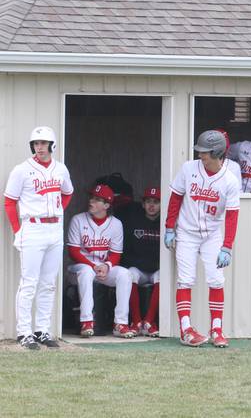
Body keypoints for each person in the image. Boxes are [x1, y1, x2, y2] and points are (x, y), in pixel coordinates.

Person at [165, 130, 240, 347]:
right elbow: (175, 197)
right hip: (187, 233)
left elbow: (232, 215)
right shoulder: (189, 168)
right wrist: (170, 227)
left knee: (216, 280)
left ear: (217, 152)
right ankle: (185, 329)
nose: (200, 155)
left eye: (205, 152)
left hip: (211, 235)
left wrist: (227, 246)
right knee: (185, 279)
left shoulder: (229, 180)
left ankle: (216, 329)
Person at [4, 126, 74, 349]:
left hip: (54, 229)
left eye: (43, 143)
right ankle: (24, 333)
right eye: (36, 143)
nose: (39, 147)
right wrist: (18, 230)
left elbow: (68, 192)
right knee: (29, 283)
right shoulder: (22, 170)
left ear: (52, 145)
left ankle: (42, 330)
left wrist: (58, 210)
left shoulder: (60, 169)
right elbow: (9, 202)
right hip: (32, 227)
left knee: (49, 283)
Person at [66, 184, 135, 339]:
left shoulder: (116, 224)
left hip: (102, 269)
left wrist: (107, 266)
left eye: (97, 199)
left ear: (107, 205)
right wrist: (94, 266)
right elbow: (73, 252)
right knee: (86, 271)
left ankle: (121, 323)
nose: (91, 201)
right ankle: (87, 321)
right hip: (79, 269)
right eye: (91, 198)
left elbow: (116, 254)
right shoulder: (78, 220)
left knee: (125, 274)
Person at [119, 187, 161, 337]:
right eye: (148, 201)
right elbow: (126, 252)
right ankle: (136, 322)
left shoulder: (164, 223)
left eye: (156, 202)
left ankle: (149, 322)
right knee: (130, 274)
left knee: (163, 275)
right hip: (140, 269)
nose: (151, 205)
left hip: (156, 269)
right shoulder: (133, 221)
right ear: (142, 204)